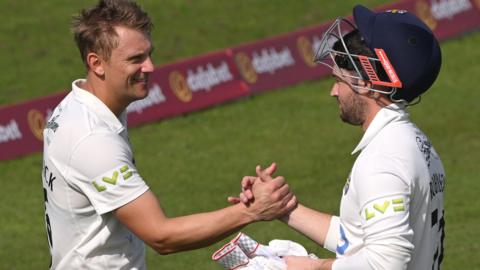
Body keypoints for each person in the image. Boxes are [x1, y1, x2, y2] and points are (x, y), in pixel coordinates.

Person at [41, 0, 297, 269]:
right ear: (97, 63)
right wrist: (252, 210)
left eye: (149, 54)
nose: (150, 67)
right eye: (136, 59)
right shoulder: (92, 140)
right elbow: (161, 236)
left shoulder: (80, 105)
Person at [233, 5, 445, 270]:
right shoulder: (415, 142)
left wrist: (306, 267)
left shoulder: (383, 161)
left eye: (339, 80)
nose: (334, 92)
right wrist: (284, 208)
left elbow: (385, 264)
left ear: (367, 82)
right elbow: (360, 238)